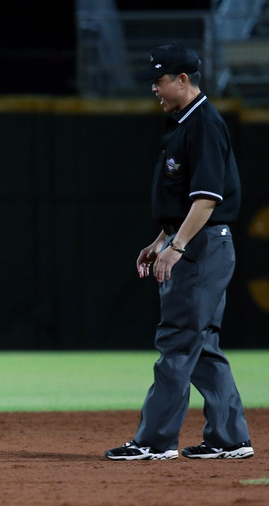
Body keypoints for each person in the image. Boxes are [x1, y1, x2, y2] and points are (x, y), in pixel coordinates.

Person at [105, 43, 253, 461]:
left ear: (183, 79)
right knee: (201, 341)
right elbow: (185, 201)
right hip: (202, 241)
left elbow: (207, 199)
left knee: (177, 340)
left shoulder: (203, 123)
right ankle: (230, 438)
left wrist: (178, 246)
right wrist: (161, 240)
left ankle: (155, 441)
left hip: (202, 245)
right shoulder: (184, 122)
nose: (154, 87)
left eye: (160, 79)